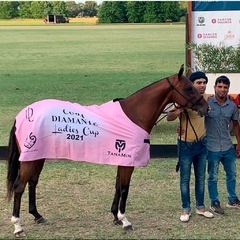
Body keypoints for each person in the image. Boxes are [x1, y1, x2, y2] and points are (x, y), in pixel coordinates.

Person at [167, 71, 214, 222]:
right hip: (185, 144)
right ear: (192, 85)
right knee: (185, 178)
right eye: (198, 83)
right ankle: (185, 209)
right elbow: (169, 116)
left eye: (204, 82)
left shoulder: (207, 99)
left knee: (201, 177)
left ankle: (200, 207)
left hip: (202, 143)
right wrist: (180, 110)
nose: (202, 85)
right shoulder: (184, 98)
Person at [206, 76, 240, 215]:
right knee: (212, 176)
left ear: (228, 89)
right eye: (219, 86)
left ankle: (232, 199)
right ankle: (214, 201)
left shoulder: (232, 106)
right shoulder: (207, 104)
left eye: (225, 87)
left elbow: (236, 125)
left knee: (232, 174)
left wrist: (239, 143)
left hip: (227, 146)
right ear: (214, 87)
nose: (222, 89)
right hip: (211, 146)